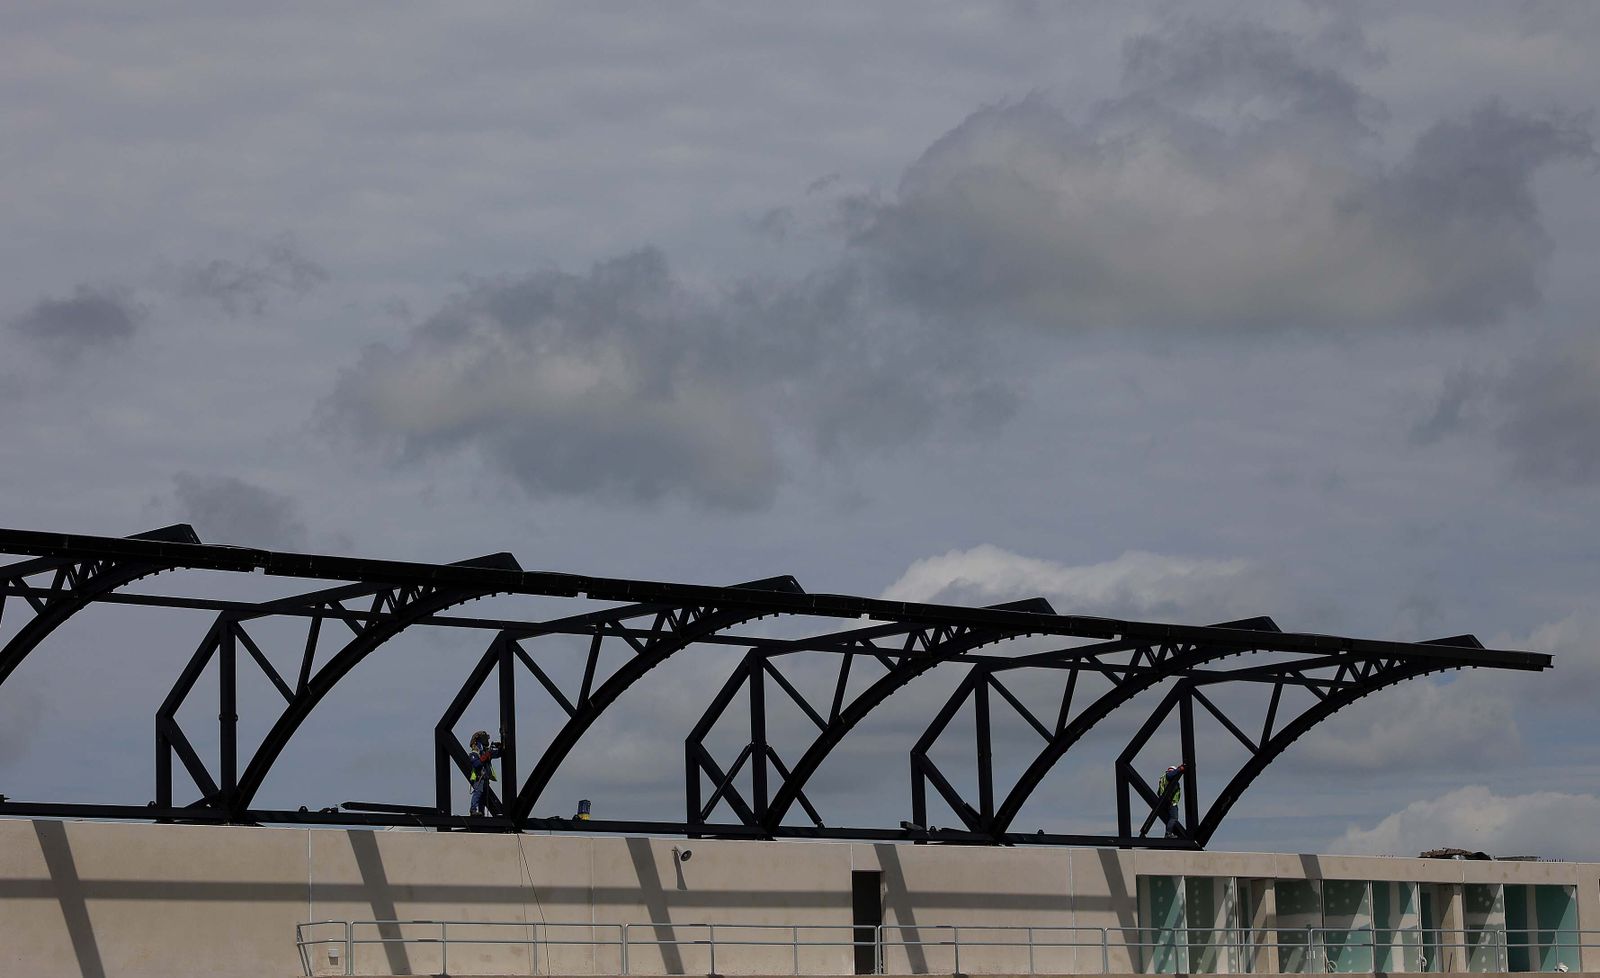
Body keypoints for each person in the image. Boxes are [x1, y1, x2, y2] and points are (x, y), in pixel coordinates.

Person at [467, 730, 503, 817]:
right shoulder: (474, 753)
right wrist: (488, 753)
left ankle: (481, 812)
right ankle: (473, 810)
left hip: (485, 778)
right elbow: (477, 764)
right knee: (478, 792)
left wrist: (499, 748)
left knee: (483, 797)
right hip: (479, 778)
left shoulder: (484, 752)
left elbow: (496, 754)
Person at [1155, 763, 1185, 838]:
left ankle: (1170, 832)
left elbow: (1159, 792)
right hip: (1170, 802)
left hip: (1164, 801)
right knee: (1173, 817)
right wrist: (1180, 769)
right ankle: (1168, 833)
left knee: (1169, 818)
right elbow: (1170, 775)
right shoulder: (1168, 776)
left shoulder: (1163, 778)